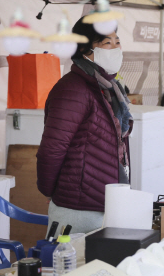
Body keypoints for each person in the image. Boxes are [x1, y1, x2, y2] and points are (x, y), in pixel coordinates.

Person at [37, 17, 132, 234]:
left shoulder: (108, 87)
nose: (116, 48)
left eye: (118, 42)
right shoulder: (73, 89)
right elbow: (52, 149)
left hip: (105, 201)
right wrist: (55, 192)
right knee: (72, 265)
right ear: (84, 51)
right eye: (107, 43)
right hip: (77, 208)